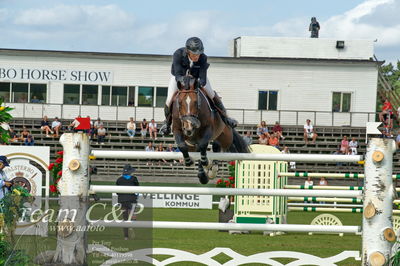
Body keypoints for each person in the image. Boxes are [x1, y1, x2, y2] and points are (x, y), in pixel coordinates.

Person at [160, 37, 237, 135]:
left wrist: (197, 83)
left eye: (199, 53)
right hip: (179, 78)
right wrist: (184, 80)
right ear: (188, 52)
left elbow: (203, 78)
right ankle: (167, 123)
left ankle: (225, 118)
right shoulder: (178, 54)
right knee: (169, 98)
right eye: (194, 54)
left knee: (211, 94)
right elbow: (178, 75)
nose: (197, 56)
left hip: (196, 78)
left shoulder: (203, 57)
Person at [115, 164, 140, 240]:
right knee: (133, 215)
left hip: (122, 200)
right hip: (132, 199)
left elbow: (117, 191)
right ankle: (131, 224)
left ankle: (126, 236)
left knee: (124, 218)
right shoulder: (134, 178)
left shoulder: (119, 179)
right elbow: (137, 189)